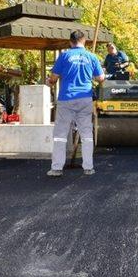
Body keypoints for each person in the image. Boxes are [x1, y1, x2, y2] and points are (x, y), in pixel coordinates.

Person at [46, 30, 105, 176]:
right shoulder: (91, 57)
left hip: (66, 99)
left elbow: (53, 78)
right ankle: (88, 167)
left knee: (60, 134)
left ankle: (57, 168)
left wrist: (50, 82)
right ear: (84, 41)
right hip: (85, 98)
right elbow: (101, 78)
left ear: (70, 42)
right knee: (87, 135)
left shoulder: (64, 56)